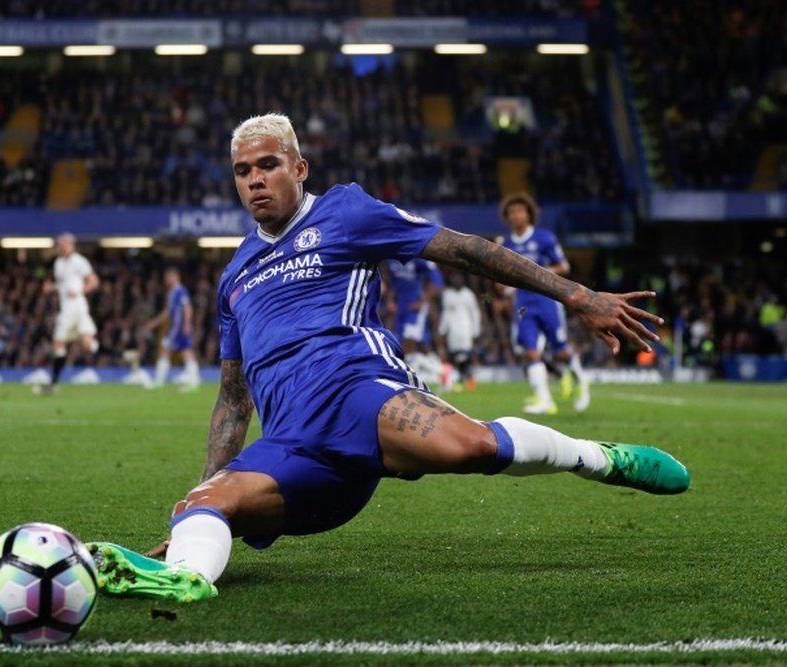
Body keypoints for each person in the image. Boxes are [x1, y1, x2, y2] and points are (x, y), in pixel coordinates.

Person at [86, 113, 689, 602]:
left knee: (474, 447)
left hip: (359, 394)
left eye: (268, 165)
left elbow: (465, 249)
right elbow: (232, 400)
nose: (254, 181)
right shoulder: (234, 275)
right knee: (198, 506)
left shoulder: (344, 212)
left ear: (299, 167)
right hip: (292, 445)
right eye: (242, 171)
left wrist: (579, 295)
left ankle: (597, 458)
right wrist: (204, 494)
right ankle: (184, 577)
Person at [498, 193, 590, 414]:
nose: (515, 215)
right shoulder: (507, 243)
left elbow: (563, 267)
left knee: (560, 351)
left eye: (520, 211)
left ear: (529, 214)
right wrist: (504, 287)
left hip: (547, 300)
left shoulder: (544, 238)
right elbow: (504, 277)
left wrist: (538, 274)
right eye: (511, 212)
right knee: (530, 351)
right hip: (523, 303)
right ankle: (545, 400)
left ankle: (581, 381)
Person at [35, 233, 100, 395]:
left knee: (59, 343)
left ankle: (53, 384)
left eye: (64, 244)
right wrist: (53, 288)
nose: (61, 246)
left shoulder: (80, 261)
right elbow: (63, 285)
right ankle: (126, 356)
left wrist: (80, 291)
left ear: (72, 245)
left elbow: (94, 282)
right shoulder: (58, 264)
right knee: (87, 344)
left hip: (76, 307)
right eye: (60, 244)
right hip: (68, 308)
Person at [381, 257, 446, 386]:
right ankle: (439, 370)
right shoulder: (391, 259)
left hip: (415, 307)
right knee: (403, 347)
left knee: (409, 344)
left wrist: (423, 301)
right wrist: (390, 301)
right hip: (400, 308)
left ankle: (441, 371)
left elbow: (437, 282)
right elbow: (392, 282)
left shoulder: (417, 257)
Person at [142, 266, 200, 390]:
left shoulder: (180, 291)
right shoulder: (172, 292)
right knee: (183, 352)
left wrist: (187, 324)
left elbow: (187, 307)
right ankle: (193, 381)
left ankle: (159, 381)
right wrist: (154, 323)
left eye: (168, 277)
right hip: (174, 328)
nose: (166, 280)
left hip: (177, 328)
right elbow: (168, 312)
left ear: (175, 277)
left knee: (171, 350)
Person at [438, 271, 481, 392]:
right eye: (454, 279)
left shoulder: (468, 294)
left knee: (467, 356)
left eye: (458, 278)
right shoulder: (447, 294)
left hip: (466, 328)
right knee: (453, 357)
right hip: (453, 330)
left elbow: (475, 313)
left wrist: (475, 331)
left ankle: (470, 379)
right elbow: (445, 314)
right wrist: (442, 330)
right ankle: (455, 380)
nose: (456, 281)